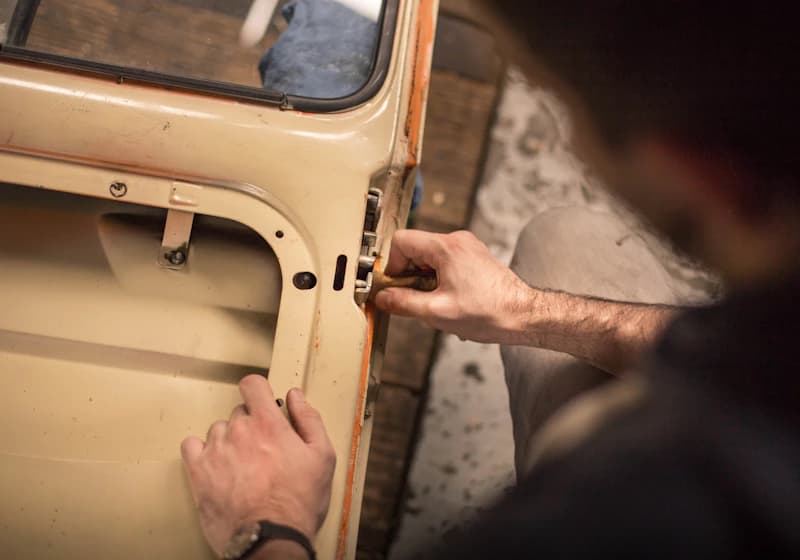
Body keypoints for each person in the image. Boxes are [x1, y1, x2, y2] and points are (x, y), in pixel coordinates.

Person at [180, 1, 800, 558]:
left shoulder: (615, 516)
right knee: (568, 239)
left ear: (698, 171)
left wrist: (270, 527)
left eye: (559, 103)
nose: (572, 143)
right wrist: (526, 310)